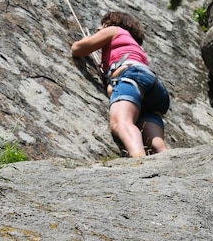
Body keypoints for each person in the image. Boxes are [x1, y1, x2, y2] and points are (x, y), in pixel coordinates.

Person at [71, 11, 170, 157]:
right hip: (154, 89)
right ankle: (168, 161)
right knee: (156, 143)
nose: (98, 29)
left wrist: (86, 40)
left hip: (132, 77)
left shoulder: (113, 30)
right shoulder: (135, 47)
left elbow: (78, 49)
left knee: (121, 123)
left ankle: (139, 162)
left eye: (102, 25)